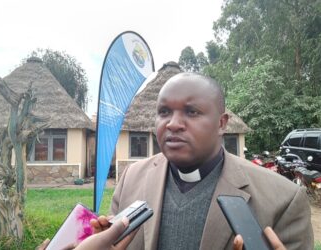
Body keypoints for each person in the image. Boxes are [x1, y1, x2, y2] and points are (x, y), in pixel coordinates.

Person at [106, 72, 313, 249]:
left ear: (222, 124)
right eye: (164, 112)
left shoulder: (284, 199)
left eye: (192, 112)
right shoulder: (131, 179)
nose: (173, 124)